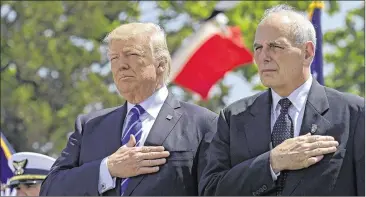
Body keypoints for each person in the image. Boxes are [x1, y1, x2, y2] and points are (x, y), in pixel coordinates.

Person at [199, 4, 365, 196]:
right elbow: (211, 190)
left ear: (307, 52)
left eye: (275, 46)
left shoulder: (355, 113)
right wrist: (272, 162)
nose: (263, 57)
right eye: (258, 48)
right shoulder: (233, 118)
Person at [40, 22, 218, 196]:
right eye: (114, 58)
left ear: (161, 64)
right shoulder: (89, 127)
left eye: (131, 54)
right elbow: (50, 189)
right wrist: (108, 168)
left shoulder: (204, 124)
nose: (121, 65)